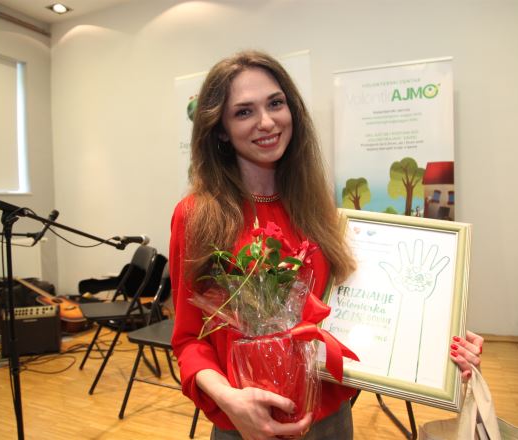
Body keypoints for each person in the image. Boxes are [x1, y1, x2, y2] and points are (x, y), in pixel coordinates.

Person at [170, 50, 483, 440]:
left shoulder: (321, 211)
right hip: (246, 424)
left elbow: (362, 307)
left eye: (276, 103)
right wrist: (228, 398)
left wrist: (443, 340)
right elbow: (188, 339)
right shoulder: (197, 215)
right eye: (244, 112)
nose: (267, 121)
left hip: (331, 420)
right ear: (220, 129)